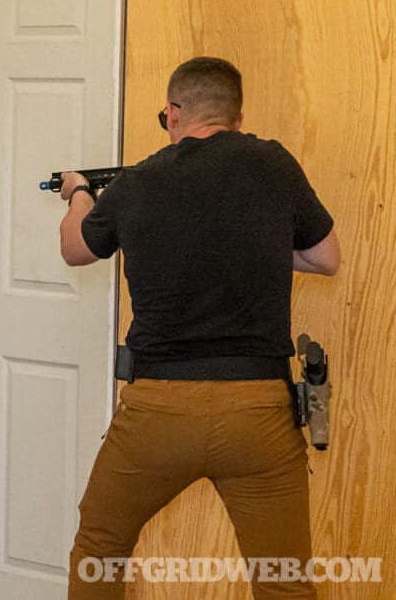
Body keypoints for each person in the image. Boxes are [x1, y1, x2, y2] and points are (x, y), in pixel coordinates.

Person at [58, 57, 339, 599]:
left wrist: (79, 194)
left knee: (99, 551)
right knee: (285, 580)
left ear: (173, 113)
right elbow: (326, 259)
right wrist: (256, 245)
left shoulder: (138, 180)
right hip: (258, 413)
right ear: (236, 116)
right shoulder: (273, 164)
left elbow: (75, 249)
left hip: (158, 411)